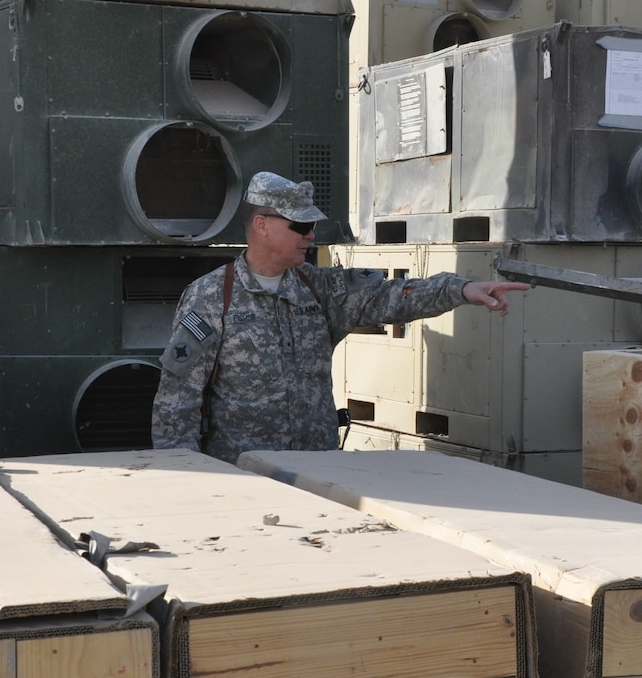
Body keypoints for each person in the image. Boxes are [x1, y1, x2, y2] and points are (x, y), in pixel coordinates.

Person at [152, 172, 530, 464]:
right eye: (299, 226)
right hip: (243, 479)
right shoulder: (210, 298)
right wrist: (190, 481)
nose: (311, 235)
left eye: (312, 226)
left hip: (319, 474)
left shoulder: (321, 289)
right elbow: (177, 402)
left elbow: (392, 296)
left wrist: (461, 290)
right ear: (261, 225)